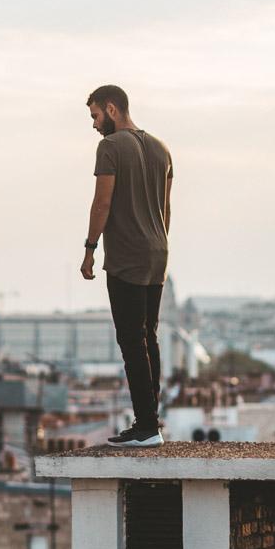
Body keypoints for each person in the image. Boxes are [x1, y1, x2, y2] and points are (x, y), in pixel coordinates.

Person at [81, 84, 173, 447]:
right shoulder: (162, 149)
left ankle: (147, 427)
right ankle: (151, 421)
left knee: (130, 339)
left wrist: (90, 248)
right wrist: (158, 240)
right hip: (158, 251)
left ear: (112, 109)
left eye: (95, 116)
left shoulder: (110, 147)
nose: (94, 125)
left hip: (127, 255)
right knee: (149, 335)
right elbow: (166, 209)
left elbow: (101, 204)